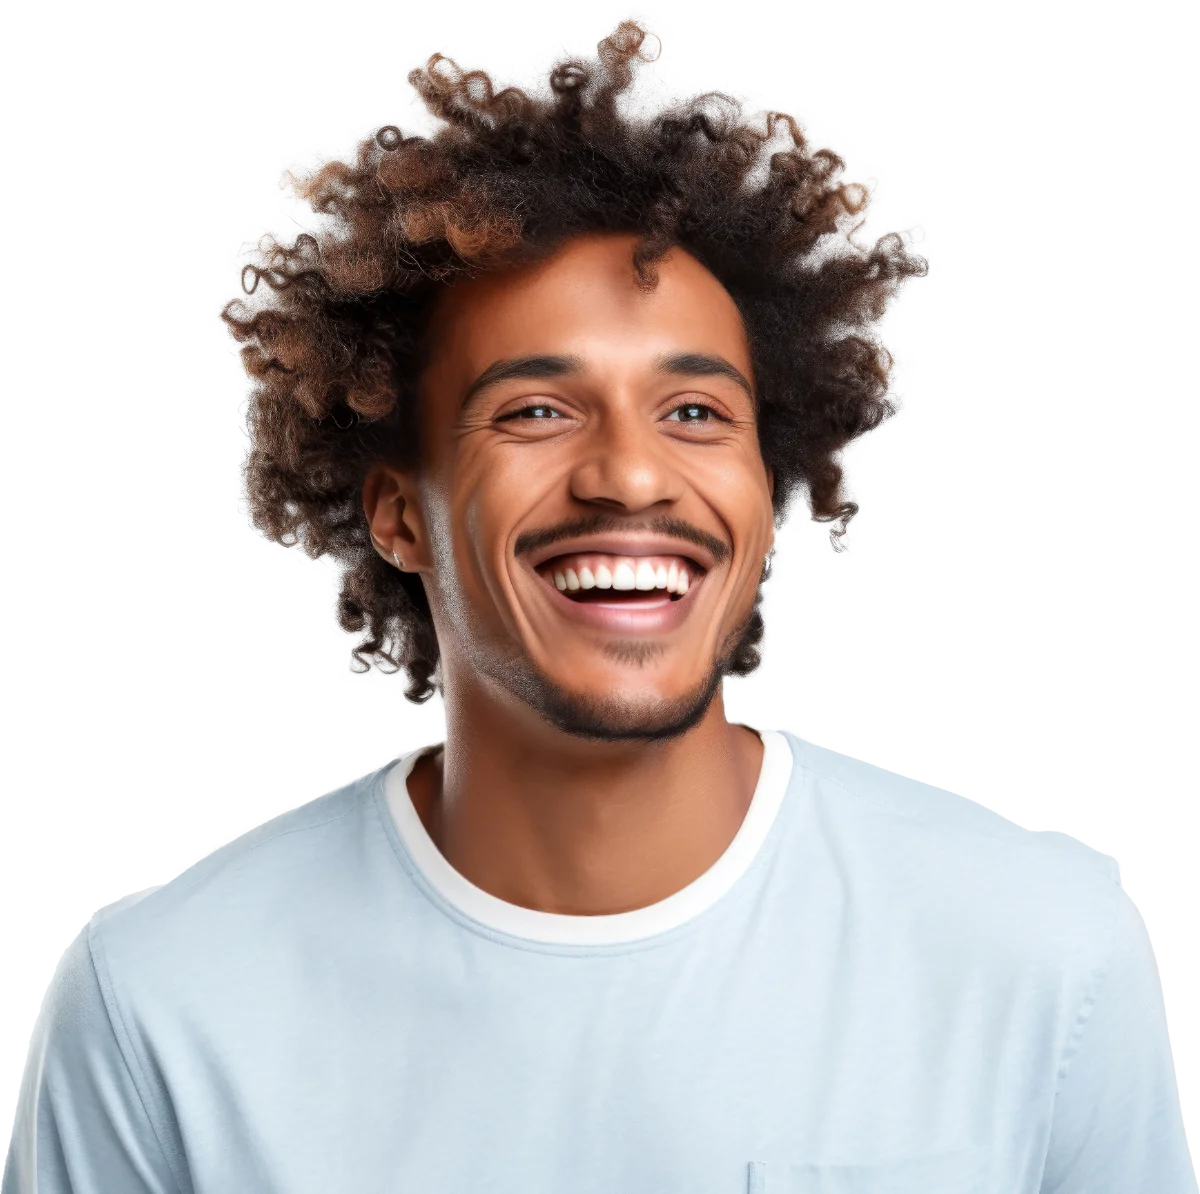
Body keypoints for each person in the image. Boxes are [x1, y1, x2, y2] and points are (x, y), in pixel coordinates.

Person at [3, 17, 1193, 1193]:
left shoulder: (1044, 950)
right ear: (396, 512)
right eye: (534, 410)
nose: (629, 475)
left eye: (695, 415)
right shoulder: (164, 1008)